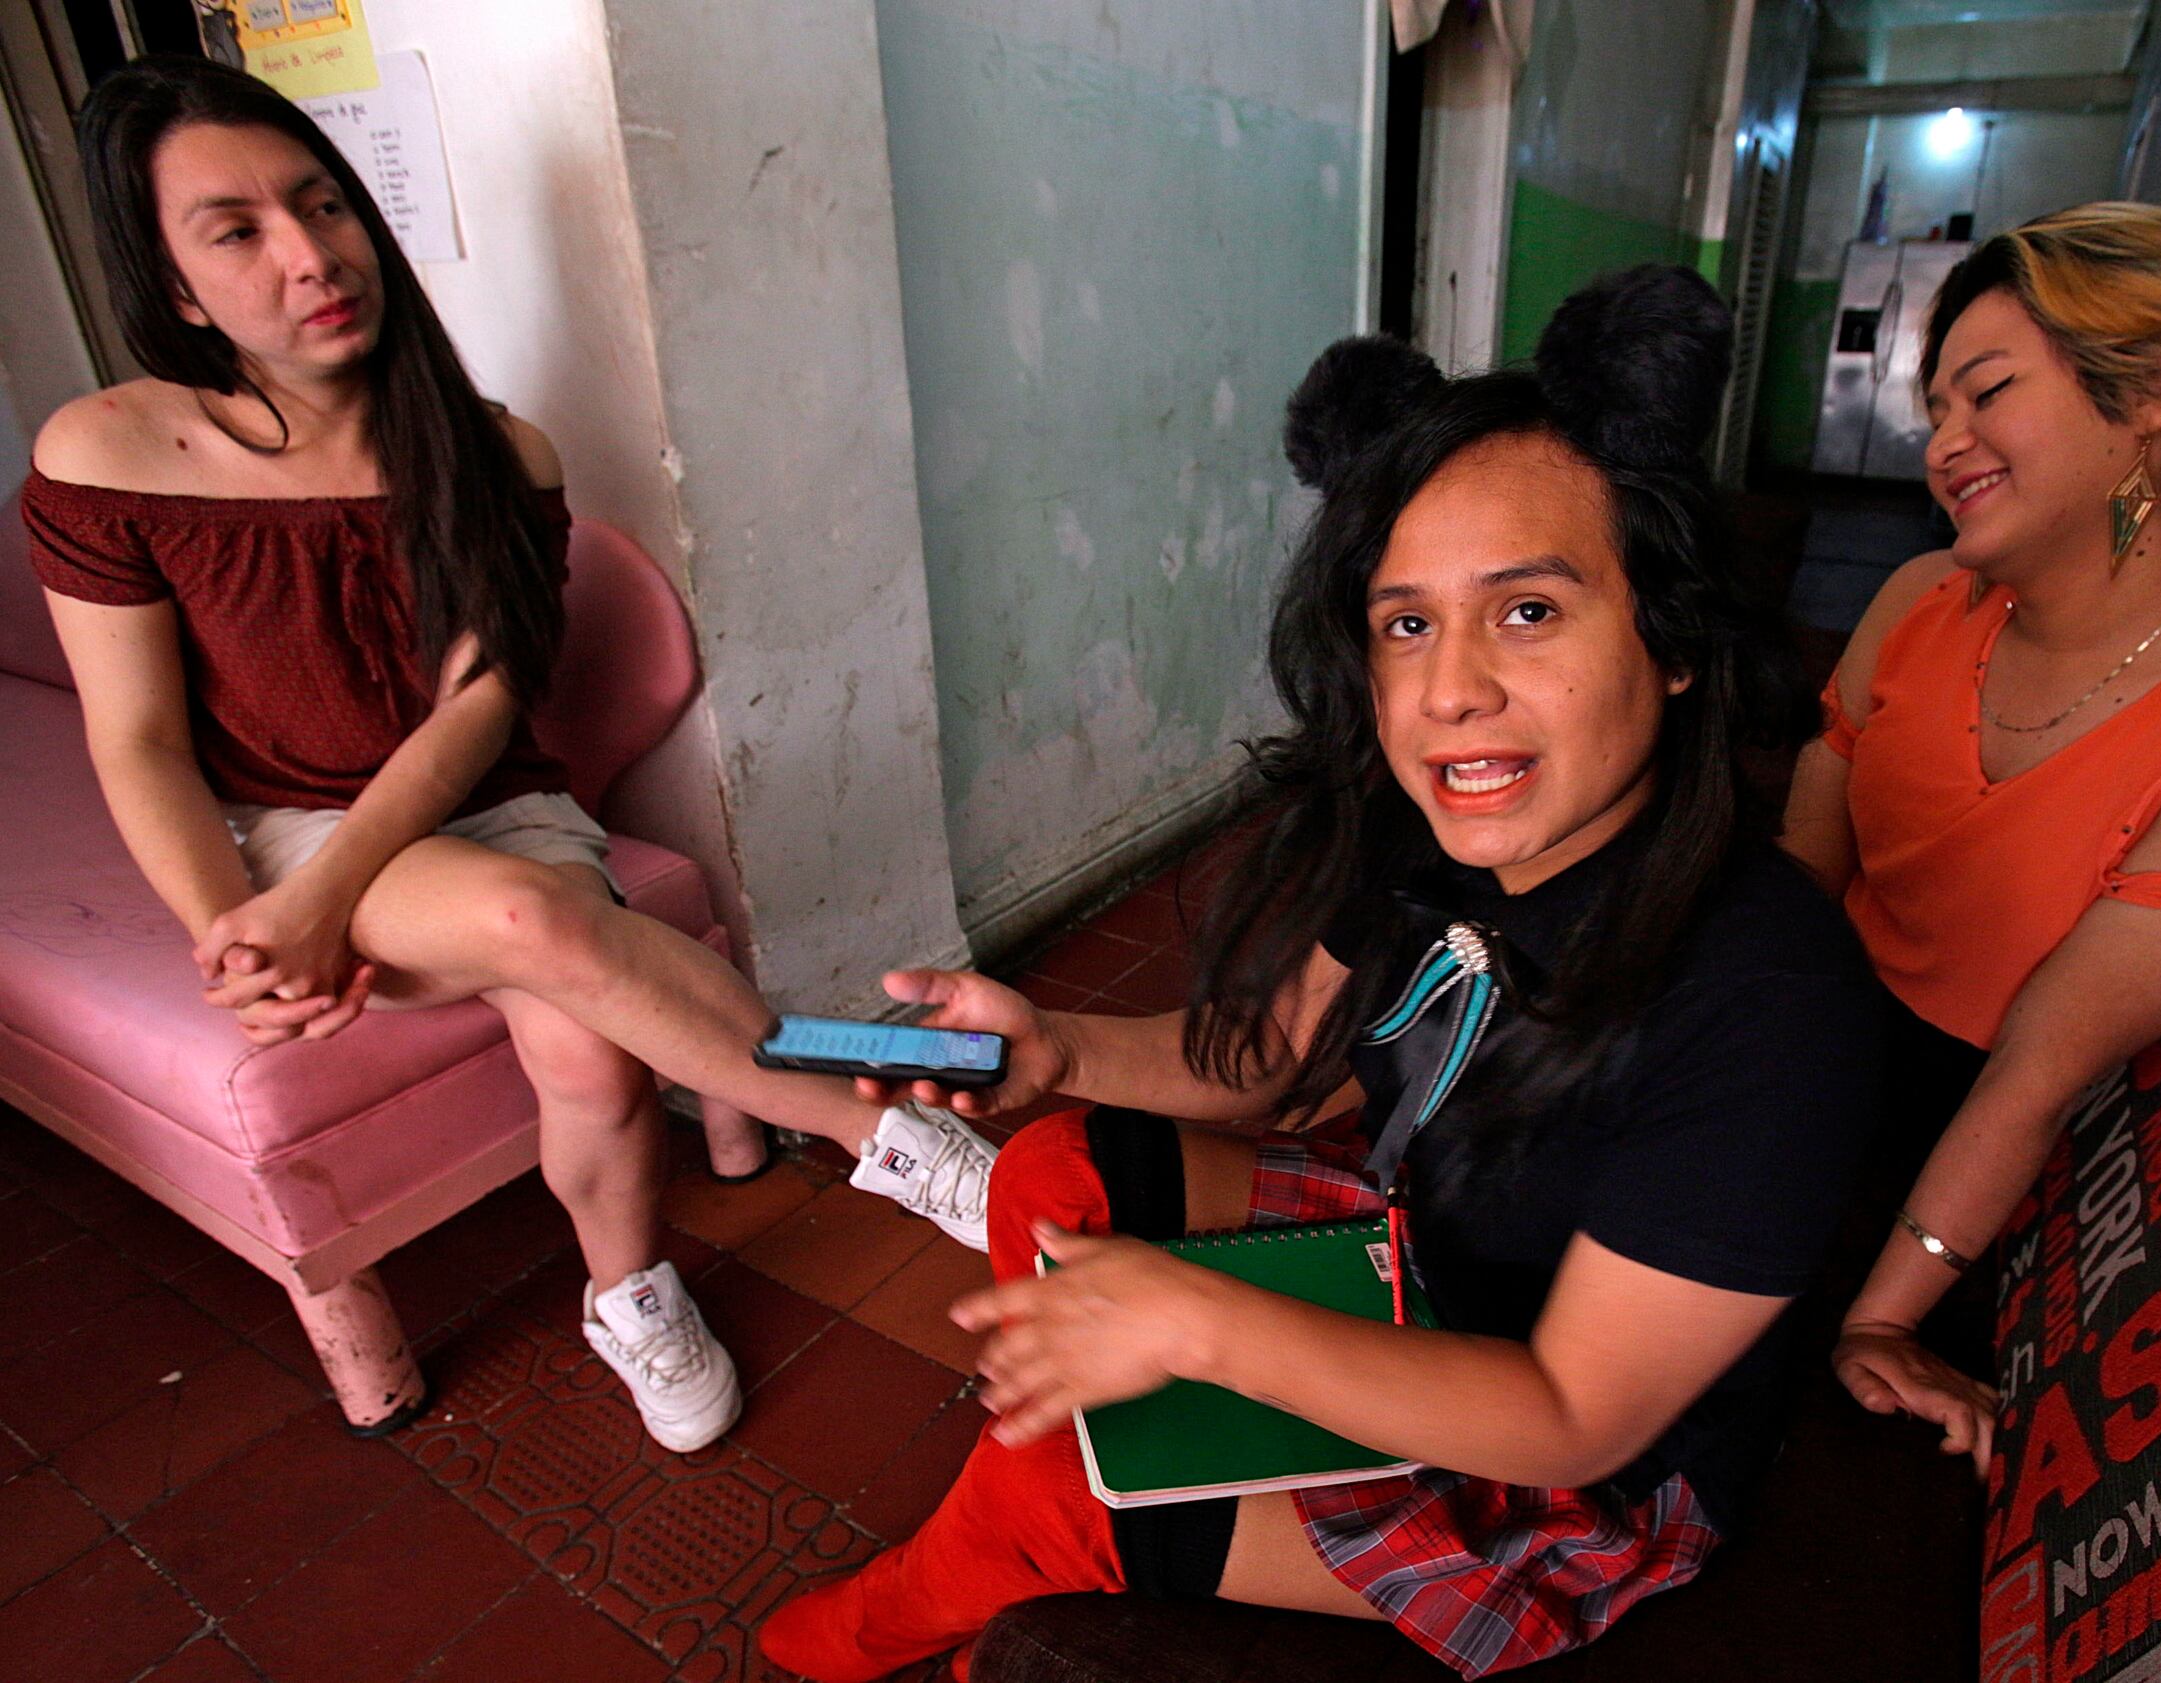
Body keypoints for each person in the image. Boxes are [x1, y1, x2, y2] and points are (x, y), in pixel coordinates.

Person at [757, 266, 1886, 1681]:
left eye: (1527, 611)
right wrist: (1049, 1044)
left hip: (1567, 1460)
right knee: (1055, 1172)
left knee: (1052, 1499)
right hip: (1427, 1254)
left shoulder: (1770, 1001)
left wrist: (1200, 1317)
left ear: (1668, 641)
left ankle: (943, 1583)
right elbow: (1266, 1052)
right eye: (1407, 622)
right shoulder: (1458, 836)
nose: (1450, 689)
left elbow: (1572, 1411)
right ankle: (1107, 1429)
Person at [20, 57, 993, 1448]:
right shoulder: (107, 453)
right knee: (539, 918)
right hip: (284, 823)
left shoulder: (495, 448)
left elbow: (481, 711)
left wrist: (324, 898)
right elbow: (139, 738)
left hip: (484, 808)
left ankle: (629, 1291)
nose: (308, 254)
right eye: (236, 231)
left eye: (322, 204)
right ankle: (870, 1121)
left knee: (590, 1058)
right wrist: (239, 930)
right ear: (174, 286)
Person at [1779, 203, 2161, 1470]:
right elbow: (1794, 892)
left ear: (2153, 392)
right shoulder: (1914, 604)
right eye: (1934, 408)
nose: (1941, 442)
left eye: (1986, 393)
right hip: (1790, 1066)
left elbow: (2043, 1063)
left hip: (1968, 1171)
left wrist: (1887, 1317)